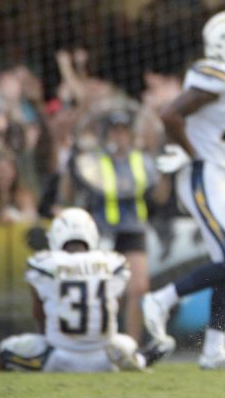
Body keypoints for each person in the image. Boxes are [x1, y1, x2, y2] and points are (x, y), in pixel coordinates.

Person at [142, 10, 225, 372]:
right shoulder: (214, 73)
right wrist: (195, 154)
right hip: (205, 174)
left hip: (222, 173)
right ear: (223, 43)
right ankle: (161, 299)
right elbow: (170, 114)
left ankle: (214, 348)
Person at [0, 208, 171, 373]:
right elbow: (109, 306)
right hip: (103, 357)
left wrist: (48, 339)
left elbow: (40, 313)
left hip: (59, 356)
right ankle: (142, 358)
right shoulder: (113, 263)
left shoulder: (45, 264)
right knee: (125, 343)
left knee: (14, 347)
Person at [61, 107, 167, 342]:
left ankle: (131, 344)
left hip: (133, 228)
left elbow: (159, 197)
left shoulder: (143, 161)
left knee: (139, 287)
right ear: (107, 134)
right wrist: (71, 162)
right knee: (107, 290)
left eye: (123, 131)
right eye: (114, 131)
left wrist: (166, 173)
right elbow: (68, 193)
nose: (119, 136)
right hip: (103, 229)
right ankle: (103, 341)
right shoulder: (93, 160)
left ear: (129, 134)